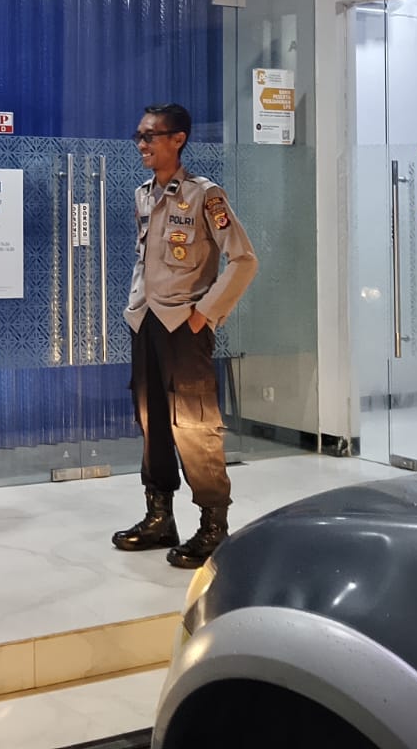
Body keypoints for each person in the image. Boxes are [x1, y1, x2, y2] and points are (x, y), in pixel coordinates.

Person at [112, 103, 258, 569]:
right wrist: (135, 307)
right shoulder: (143, 195)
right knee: (152, 421)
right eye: (139, 136)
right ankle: (159, 516)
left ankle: (213, 525)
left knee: (195, 425)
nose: (142, 144)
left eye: (150, 136)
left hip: (184, 326)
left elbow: (243, 260)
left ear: (178, 139)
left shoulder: (204, 195)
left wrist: (205, 314)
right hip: (146, 321)